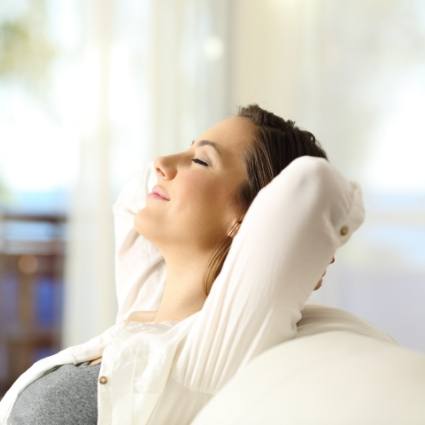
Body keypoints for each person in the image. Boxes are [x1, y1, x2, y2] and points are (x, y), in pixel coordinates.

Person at [0, 104, 365, 425]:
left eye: (201, 160)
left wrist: (306, 246)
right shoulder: (141, 315)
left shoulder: (214, 350)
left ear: (251, 219)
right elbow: (131, 199)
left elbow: (315, 184)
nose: (160, 163)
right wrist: (196, 160)